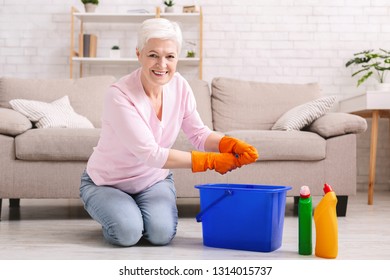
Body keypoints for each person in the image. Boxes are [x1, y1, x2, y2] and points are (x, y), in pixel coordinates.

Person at [79, 18, 258, 247]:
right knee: (127, 233)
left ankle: (134, 215)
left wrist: (227, 144)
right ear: (139, 54)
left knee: (161, 235)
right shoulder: (119, 95)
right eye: (153, 54)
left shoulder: (180, 86)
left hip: (152, 181)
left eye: (170, 56)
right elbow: (151, 154)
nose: (161, 64)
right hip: (107, 183)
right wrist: (211, 161)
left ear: (177, 58)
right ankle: (121, 217)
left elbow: (199, 134)